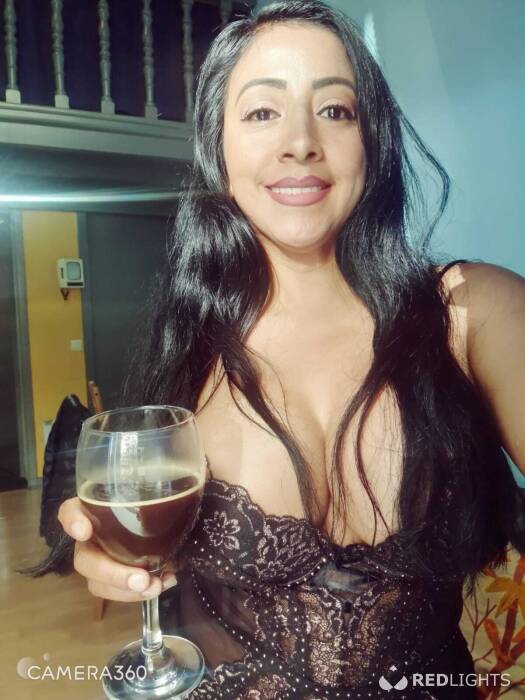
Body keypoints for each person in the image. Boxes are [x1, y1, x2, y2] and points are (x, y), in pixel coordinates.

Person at [56, 1, 525, 697]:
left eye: (335, 110)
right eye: (261, 112)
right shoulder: (187, 343)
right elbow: (133, 537)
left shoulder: (469, 311)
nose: (300, 142)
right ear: (218, 150)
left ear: (372, 141)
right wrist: (110, 556)